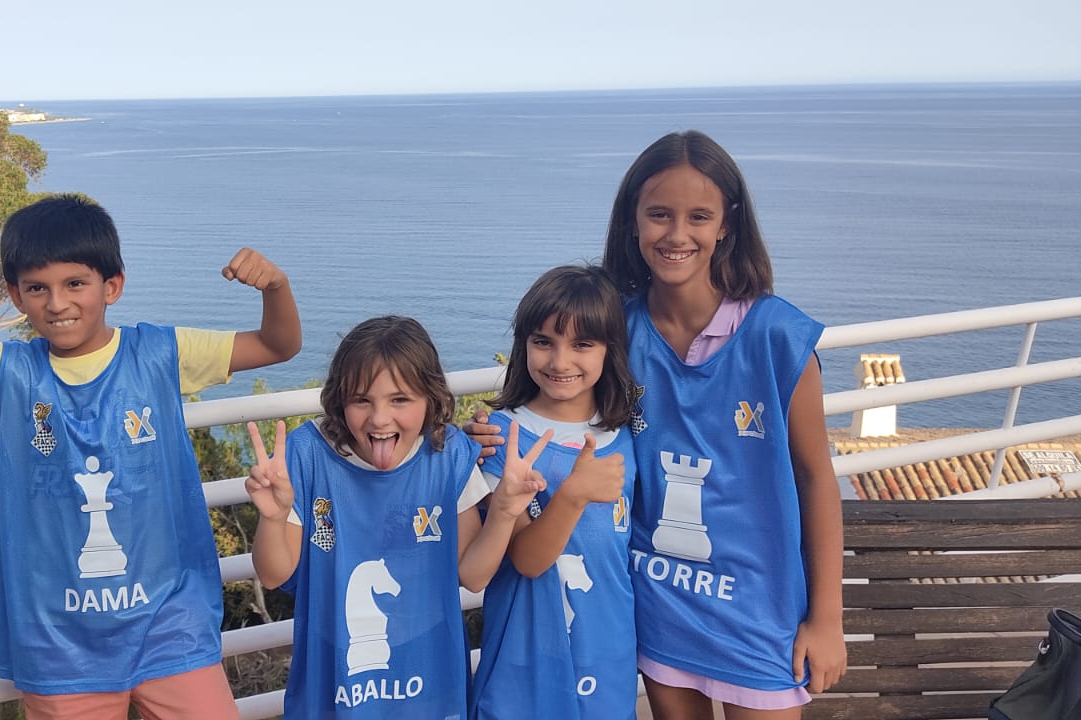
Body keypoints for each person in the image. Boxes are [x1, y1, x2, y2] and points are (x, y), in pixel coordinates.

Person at [0, 186, 302, 719]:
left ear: (113, 286)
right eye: (37, 288)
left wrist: (276, 286)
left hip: (170, 623)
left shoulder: (162, 353)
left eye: (75, 283)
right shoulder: (10, 369)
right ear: (15, 295)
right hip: (57, 638)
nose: (57, 303)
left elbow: (277, 345)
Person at [469, 131, 847, 718]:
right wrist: (486, 433)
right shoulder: (616, 328)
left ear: (727, 224)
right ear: (633, 220)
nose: (676, 234)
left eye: (699, 216)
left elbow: (816, 477)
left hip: (760, 606)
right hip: (659, 598)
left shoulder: (778, 336)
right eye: (659, 214)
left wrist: (826, 619)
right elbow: (555, 403)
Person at [244, 315, 549, 719]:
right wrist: (273, 517)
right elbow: (273, 575)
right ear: (339, 399)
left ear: (430, 398)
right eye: (361, 400)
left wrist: (505, 513)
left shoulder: (448, 454)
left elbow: (474, 577)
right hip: (333, 683)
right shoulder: (307, 455)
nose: (379, 419)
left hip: (430, 679)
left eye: (400, 400)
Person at [468, 265, 636, 720]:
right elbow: (527, 560)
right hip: (524, 662)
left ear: (610, 349)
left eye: (582, 344)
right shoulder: (501, 437)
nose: (560, 362)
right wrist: (573, 494)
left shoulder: (628, 432)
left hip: (609, 654)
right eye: (543, 342)